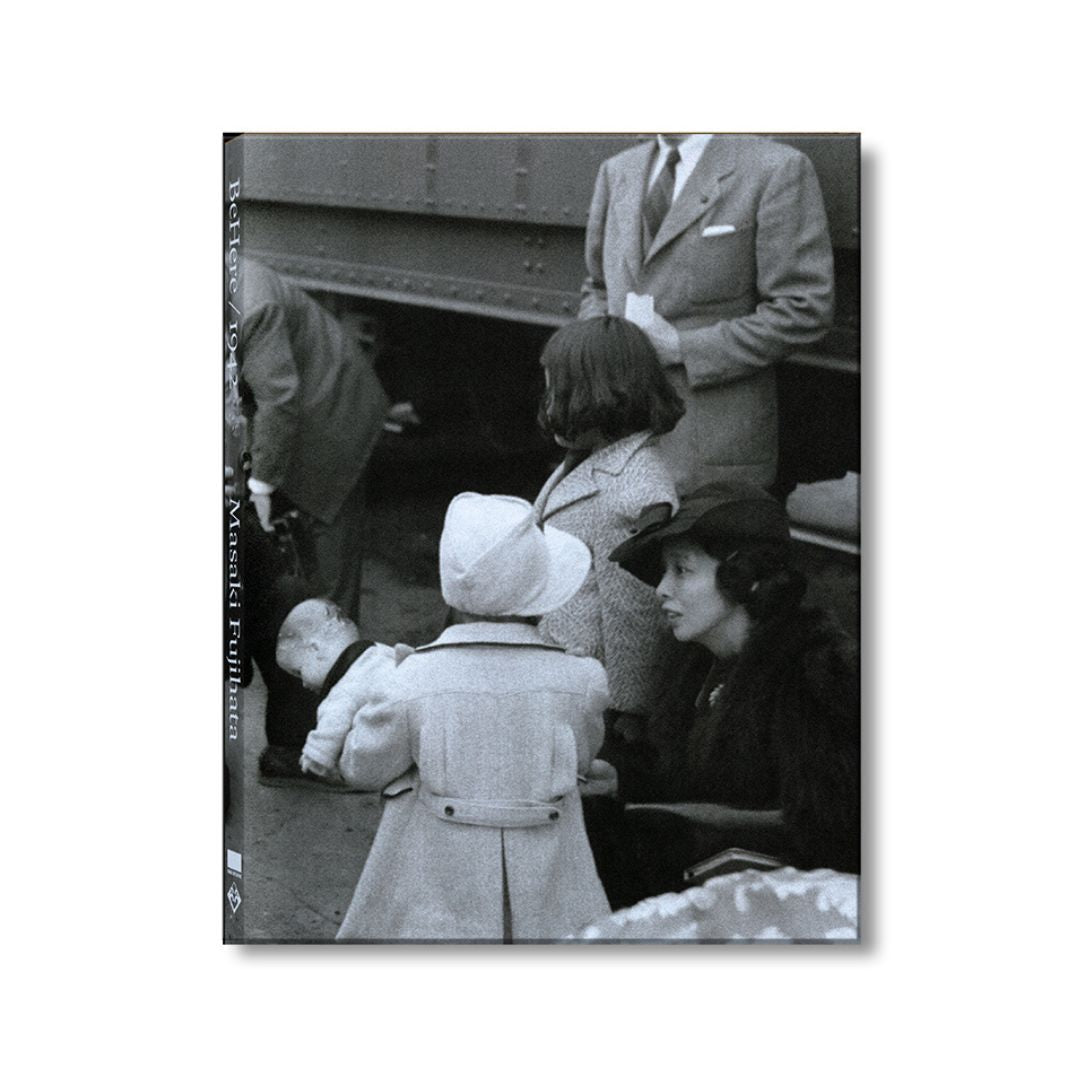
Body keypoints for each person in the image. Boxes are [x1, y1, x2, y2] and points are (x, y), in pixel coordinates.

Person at [323, 493, 611, 941]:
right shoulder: (582, 679)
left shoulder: (412, 679)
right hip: (552, 896)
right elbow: (581, 759)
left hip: (432, 897)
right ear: (541, 592)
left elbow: (360, 768)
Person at [587, 482, 858, 908]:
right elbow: (678, 773)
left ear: (742, 577)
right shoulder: (695, 662)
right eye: (664, 571)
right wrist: (622, 779)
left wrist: (679, 822)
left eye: (682, 570)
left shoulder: (813, 671)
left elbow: (827, 827)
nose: (661, 588)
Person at [579, 134, 834, 492]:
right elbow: (597, 286)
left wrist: (682, 347)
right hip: (618, 443)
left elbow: (804, 308)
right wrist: (604, 344)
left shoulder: (776, 168)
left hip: (711, 457)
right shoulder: (618, 169)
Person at [534, 315, 684, 721]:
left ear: (591, 395)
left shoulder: (632, 491)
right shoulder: (593, 458)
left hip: (594, 699)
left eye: (554, 390)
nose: (547, 403)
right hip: (566, 672)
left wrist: (625, 715)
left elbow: (634, 615)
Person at [239, 257, 389, 625]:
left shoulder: (252, 303)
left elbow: (277, 400)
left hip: (332, 411)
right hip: (289, 405)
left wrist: (260, 487)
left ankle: (336, 668)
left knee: (325, 565)